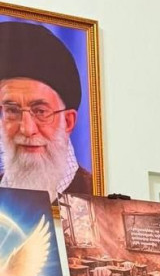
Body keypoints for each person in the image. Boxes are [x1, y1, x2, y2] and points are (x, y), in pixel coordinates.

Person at [0, 19, 92, 201]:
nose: (27, 129)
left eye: (40, 111)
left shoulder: (93, 197)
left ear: (68, 122)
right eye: (12, 111)